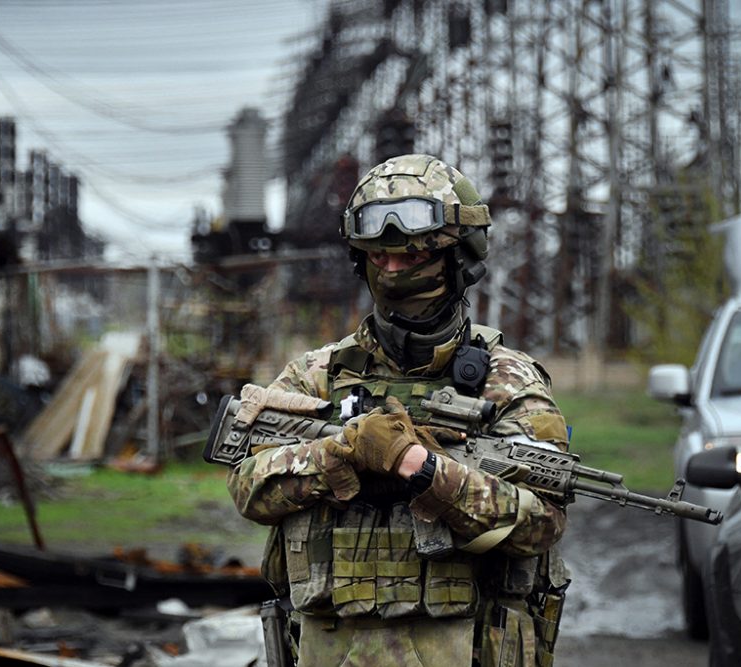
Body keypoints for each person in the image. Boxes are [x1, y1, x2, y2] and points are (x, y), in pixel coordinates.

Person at [227, 154, 570, 667]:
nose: (392, 272)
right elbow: (248, 485)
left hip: (464, 647)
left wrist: (422, 468)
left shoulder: (509, 382)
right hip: (329, 646)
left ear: (459, 257)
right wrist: (340, 454)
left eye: (411, 260)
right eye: (380, 259)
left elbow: (540, 522)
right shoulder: (317, 375)